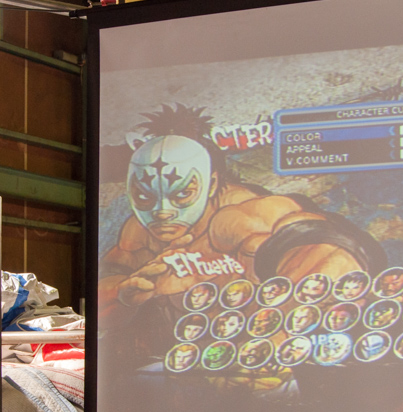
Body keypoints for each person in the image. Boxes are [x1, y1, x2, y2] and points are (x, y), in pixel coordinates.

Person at [98, 104, 385, 338]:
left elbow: (316, 243)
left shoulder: (240, 215)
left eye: (182, 193)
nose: (162, 212)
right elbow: (99, 298)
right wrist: (121, 292)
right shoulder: (139, 232)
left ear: (211, 184)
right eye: (145, 197)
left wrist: (313, 267)